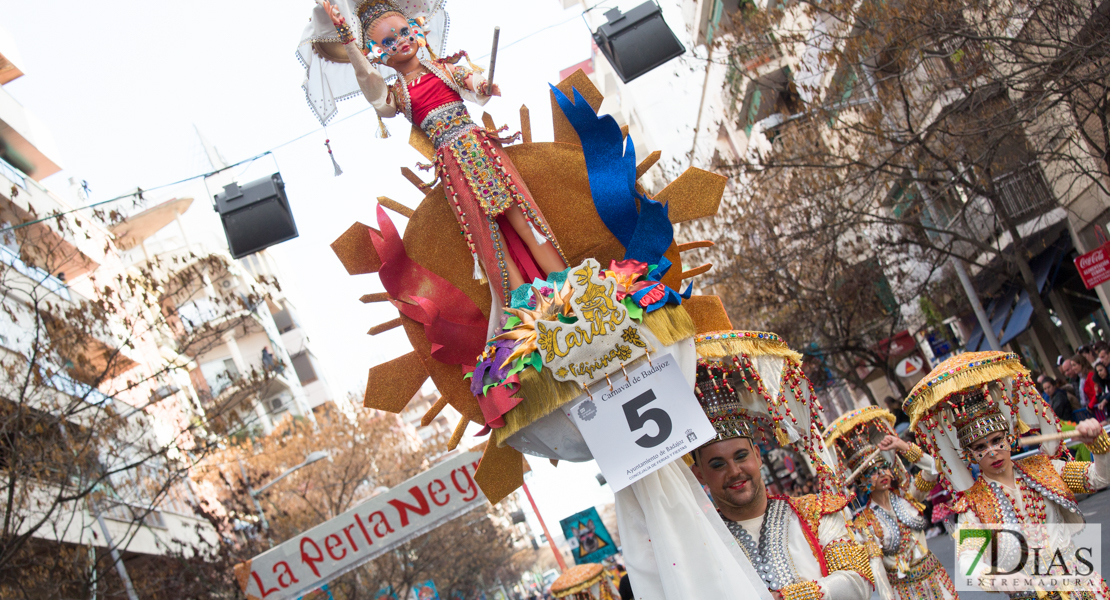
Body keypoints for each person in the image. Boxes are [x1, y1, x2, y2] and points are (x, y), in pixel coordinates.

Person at [317, 0, 567, 330]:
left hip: (483, 150)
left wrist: (483, 86)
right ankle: (531, 316)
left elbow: (473, 81)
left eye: (404, 32)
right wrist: (350, 43)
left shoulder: (445, 69)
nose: (401, 42)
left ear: (417, 30)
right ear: (378, 54)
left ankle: (568, 290)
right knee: (491, 242)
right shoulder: (397, 95)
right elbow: (374, 90)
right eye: (389, 42)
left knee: (524, 220)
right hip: (453, 167)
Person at [905, 351, 1110, 599]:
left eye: (996, 440)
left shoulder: (1043, 469)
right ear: (970, 455)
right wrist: (995, 577)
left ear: (1009, 438)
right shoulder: (973, 504)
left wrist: (1098, 444)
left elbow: (1099, 478)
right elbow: (969, 559)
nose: (992, 451)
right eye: (981, 447)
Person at [690, 358, 874, 600]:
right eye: (718, 464)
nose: (734, 471)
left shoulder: (815, 513)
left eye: (741, 456)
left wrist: (795, 596)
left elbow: (857, 582)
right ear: (699, 474)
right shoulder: (701, 545)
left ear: (757, 456)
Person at [824, 407, 957, 600]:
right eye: (873, 472)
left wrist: (902, 446)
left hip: (937, 581)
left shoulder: (908, 497)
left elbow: (933, 470)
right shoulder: (865, 523)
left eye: (883, 468)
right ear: (862, 482)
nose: (882, 475)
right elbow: (877, 570)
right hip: (905, 593)